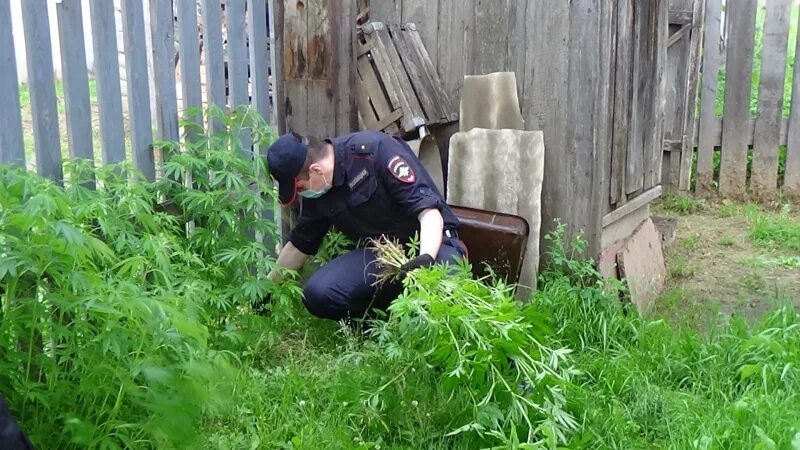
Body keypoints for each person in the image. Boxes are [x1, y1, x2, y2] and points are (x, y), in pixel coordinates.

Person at [262, 130, 467, 322]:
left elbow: (429, 212)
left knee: (442, 293)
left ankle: (413, 314)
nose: (300, 194)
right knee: (319, 293)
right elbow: (301, 244)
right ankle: (379, 328)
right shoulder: (320, 190)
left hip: (432, 245)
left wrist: (425, 260)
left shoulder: (375, 151)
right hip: (384, 254)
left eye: (300, 187)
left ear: (316, 170)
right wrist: (265, 292)